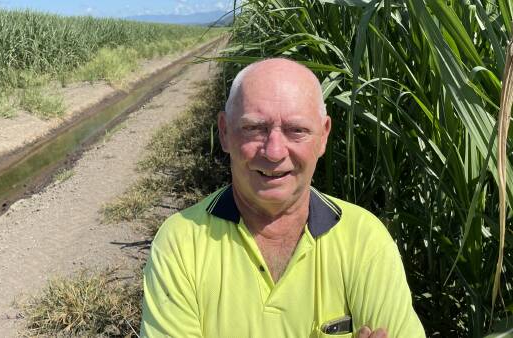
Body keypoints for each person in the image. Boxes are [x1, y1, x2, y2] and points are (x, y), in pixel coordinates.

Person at [140, 58, 425, 337]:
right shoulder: (180, 242)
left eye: (296, 130)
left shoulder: (364, 239)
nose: (274, 152)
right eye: (254, 128)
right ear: (225, 132)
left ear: (323, 136)